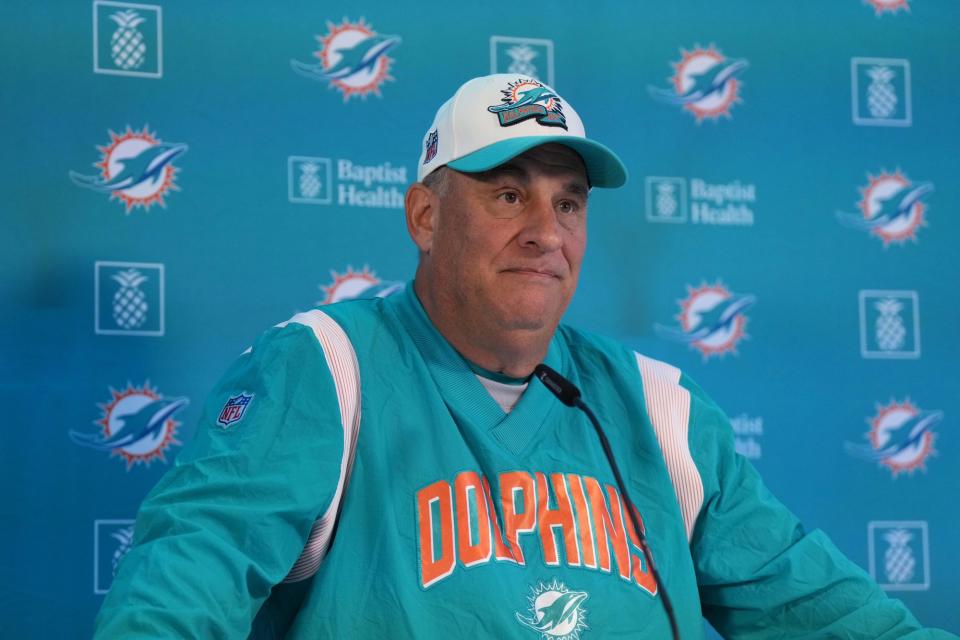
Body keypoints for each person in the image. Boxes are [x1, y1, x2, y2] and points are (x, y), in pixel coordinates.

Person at [94, 74, 955, 639]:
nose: (547, 232)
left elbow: (827, 611)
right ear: (426, 218)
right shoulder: (327, 368)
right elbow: (181, 584)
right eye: (509, 195)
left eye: (569, 203)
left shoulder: (658, 406)